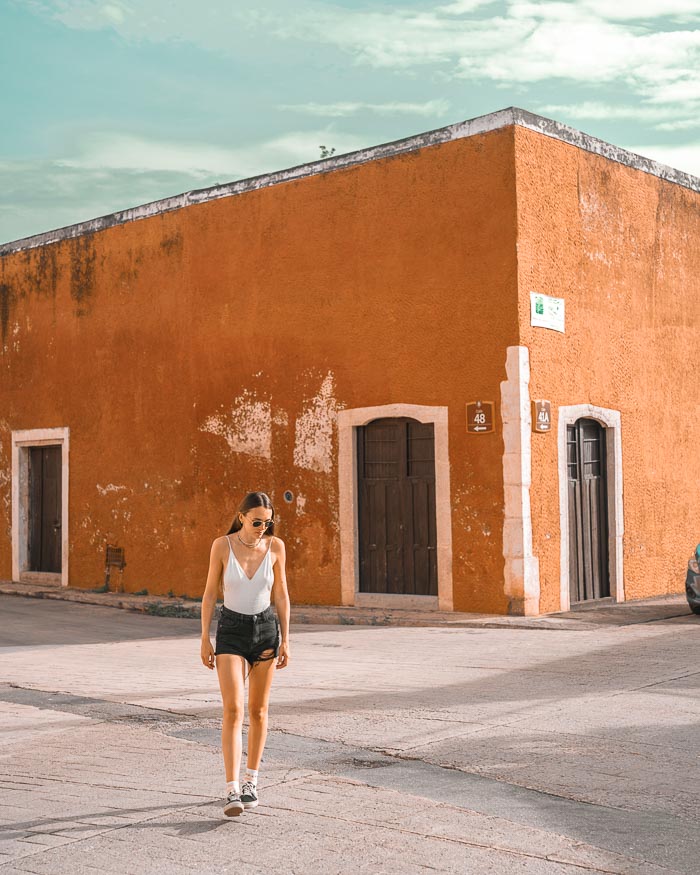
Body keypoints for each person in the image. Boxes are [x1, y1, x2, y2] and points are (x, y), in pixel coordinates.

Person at [200, 491, 290, 816]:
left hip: (266, 630)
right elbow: (210, 594)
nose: (262, 528)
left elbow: (281, 594)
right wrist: (204, 638)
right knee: (233, 710)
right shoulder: (221, 546)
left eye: (267, 522)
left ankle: (252, 781)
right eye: (256, 522)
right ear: (241, 517)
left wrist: (286, 639)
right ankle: (232, 788)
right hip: (231, 632)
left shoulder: (275, 547)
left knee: (259, 711)